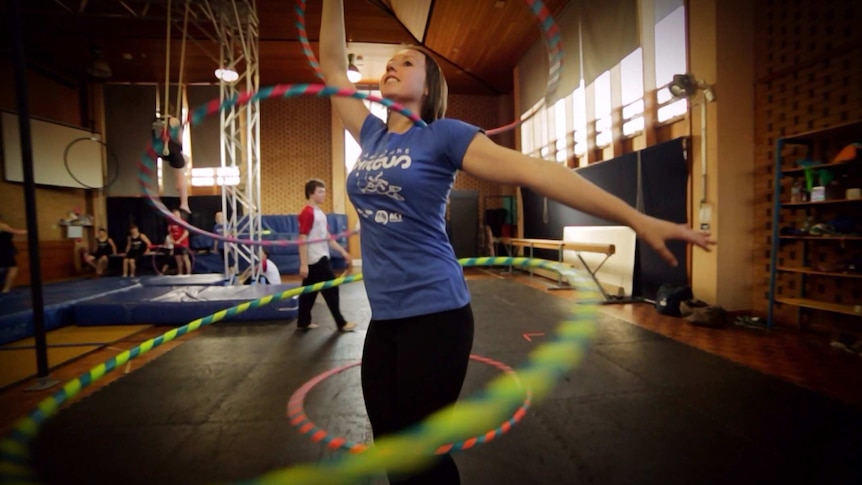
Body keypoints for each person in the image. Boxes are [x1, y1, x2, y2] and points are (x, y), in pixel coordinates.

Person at [319, 1, 715, 483]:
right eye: (389, 61)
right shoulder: (372, 137)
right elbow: (333, 66)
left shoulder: (444, 136)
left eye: (408, 61)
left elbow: (537, 171)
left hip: (435, 315)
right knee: (389, 448)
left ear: (430, 87)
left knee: (418, 457)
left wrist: (635, 217)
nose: (392, 66)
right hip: (384, 321)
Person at [296, 179, 356, 332]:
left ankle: (303, 321)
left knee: (309, 292)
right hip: (315, 259)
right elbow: (302, 239)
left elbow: (327, 237)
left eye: (324, 191)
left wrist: (343, 252)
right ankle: (341, 323)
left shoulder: (320, 213)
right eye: (320, 191)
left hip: (321, 255)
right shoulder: (307, 213)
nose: (324, 194)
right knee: (331, 289)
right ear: (311, 193)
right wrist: (303, 264)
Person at [152, 113, 191, 214]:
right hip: (172, 149)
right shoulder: (174, 121)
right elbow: (179, 138)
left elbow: (155, 138)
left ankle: (178, 181)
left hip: (161, 151)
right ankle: (184, 204)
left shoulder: (156, 122)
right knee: (181, 173)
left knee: (185, 160)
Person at [0, 215, 26, 293]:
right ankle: (6, 289)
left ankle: (6, 288)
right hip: (4, 250)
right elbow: (17, 232)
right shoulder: (2, 225)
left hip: (4, 249)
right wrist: (29, 230)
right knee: (13, 267)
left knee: (7, 267)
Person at [168, 209, 192, 275]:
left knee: (185, 258)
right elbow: (170, 233)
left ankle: (188, 273)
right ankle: (180, 272)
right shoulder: (171, 223)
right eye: (175, 214)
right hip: (176, 244)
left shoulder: (183, 222)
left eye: (178, 214)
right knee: (178, 260)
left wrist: (179, 240)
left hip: (183, 244)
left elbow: (186, 233)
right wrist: (172, 240)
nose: (176, 215)